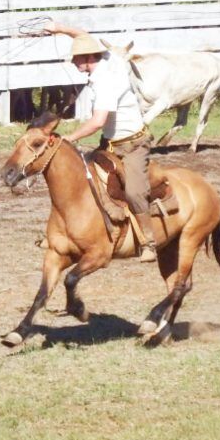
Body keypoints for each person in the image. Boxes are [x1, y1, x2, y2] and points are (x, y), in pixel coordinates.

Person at [41, 21, 157, 262]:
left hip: (134, 145)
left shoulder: (106, 81)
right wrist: (58, 28)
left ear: (87, 58)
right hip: (111, 144)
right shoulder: (108, 59)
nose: (73, 63)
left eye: (76, 59)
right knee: (80, 179)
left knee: (135, 191)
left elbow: (97, 121)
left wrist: (68, 138)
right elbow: (82, 34)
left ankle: (149, 242)